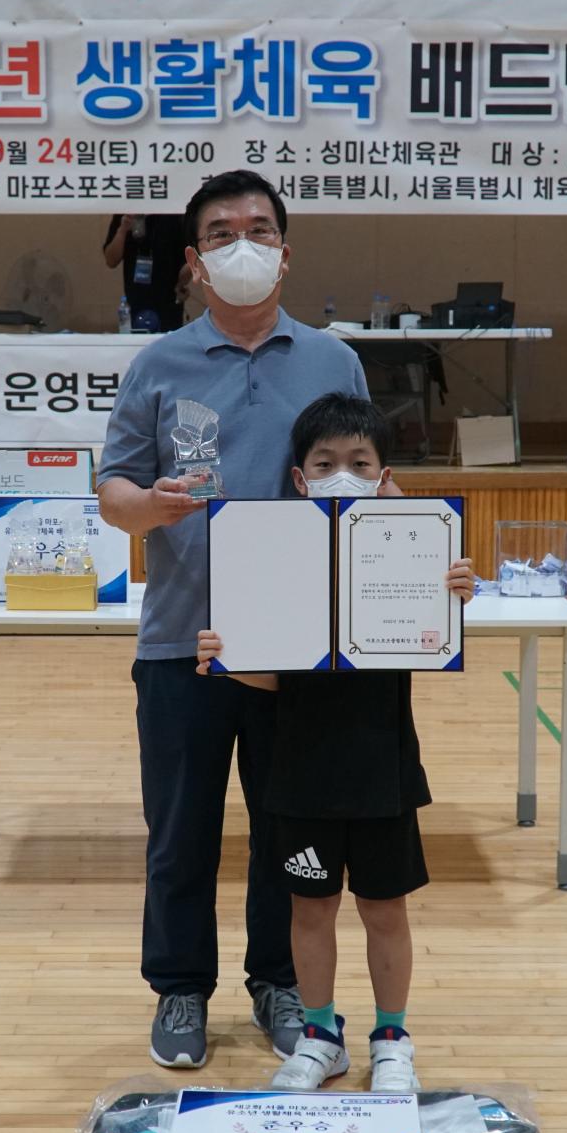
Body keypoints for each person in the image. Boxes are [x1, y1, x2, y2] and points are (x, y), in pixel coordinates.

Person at [97, 170, 379, 1070]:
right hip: (182, 638)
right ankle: (181, 988)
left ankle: (279, 983)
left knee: (286, 829)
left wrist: (419, 551)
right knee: (180, 831)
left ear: (285, 254)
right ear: (194, 261)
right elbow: (112, 491)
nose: (242, 245)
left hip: (298, 647)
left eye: (259, 229)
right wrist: (150, 507)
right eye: (222, 234)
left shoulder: (334, 362)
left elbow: (367, 481)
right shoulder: (158, 364)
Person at [195, 393, 473, 1092]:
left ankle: (392, 1040)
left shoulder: (416, 552)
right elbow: (268, 675)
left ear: (384, 477)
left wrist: (453, 589)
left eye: (360, 463)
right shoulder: (273, 559)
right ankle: (321, 1038)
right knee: (310, 910)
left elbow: (433, 633)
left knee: (385, 910)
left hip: (383, 766)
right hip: (301, 768)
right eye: (324, 464)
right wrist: (224, 658)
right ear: (299, 477)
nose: (341, 474)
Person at [102, 213, 191, 333]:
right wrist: (122, 230)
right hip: (134, 300)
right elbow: (111, 260)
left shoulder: (173, 214)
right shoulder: (125, 213)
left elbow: (186, 263)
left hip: (169, 302)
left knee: (169, 341)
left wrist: (182, 283)